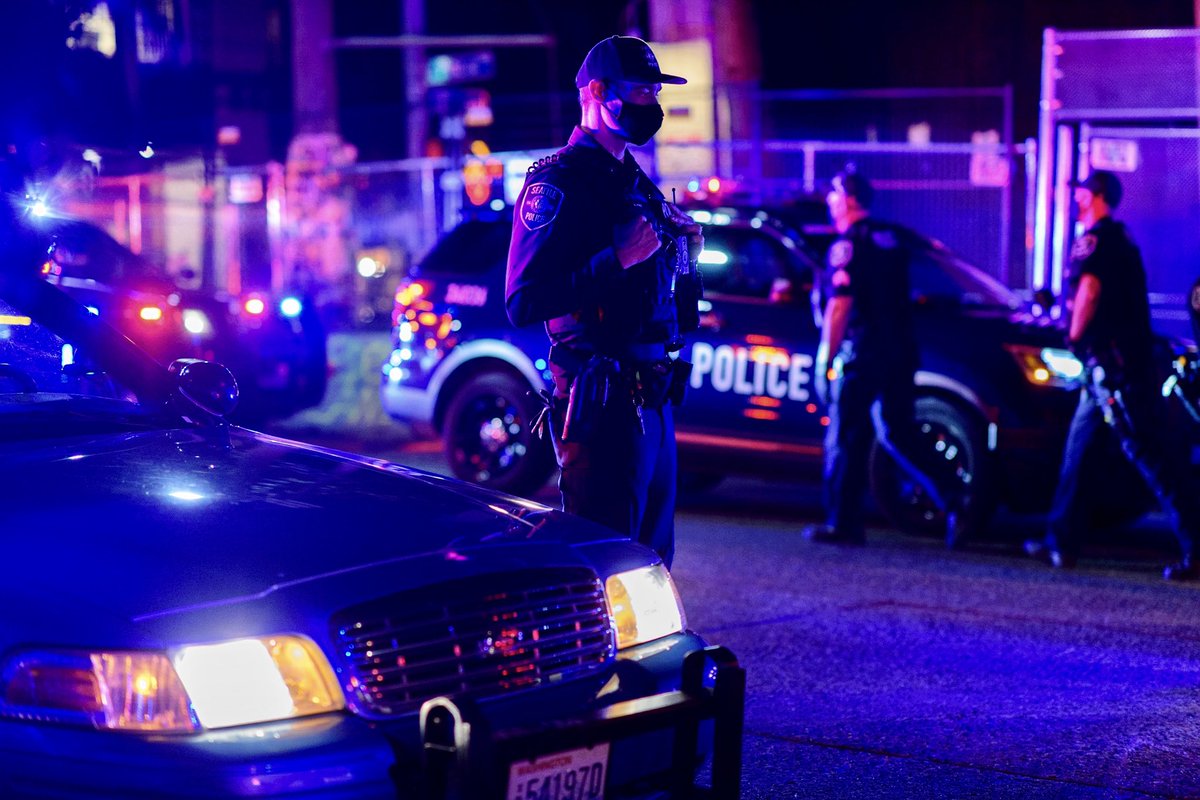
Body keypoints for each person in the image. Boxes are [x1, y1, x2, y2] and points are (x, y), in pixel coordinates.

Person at [504, 35, 703, 568]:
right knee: (607, 560)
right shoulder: (557, 182)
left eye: (653, 92)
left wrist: (688, 254)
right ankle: (597, 654)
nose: (651, 105)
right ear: (598, 92)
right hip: (601, 399)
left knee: (654, 560)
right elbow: (523, 301)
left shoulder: (634, 180)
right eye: (640, 92)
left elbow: (665, 292)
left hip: (653, 393)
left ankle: (646, 654)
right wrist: (615, 257)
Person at [1024, 170, 1197, 580]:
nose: (1076, 196)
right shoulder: (1121, 238)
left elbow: (1090, 291)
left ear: (1096, 195)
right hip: (1108, 370)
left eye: (1081, 190)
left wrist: (1073, 335)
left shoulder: (1096, 241)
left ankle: (1197, 546)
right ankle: (1060, 541)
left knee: (1151, 456)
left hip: (1114, 371)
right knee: (1078, 452)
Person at [801, 166, 964, 547]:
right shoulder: (892, 238)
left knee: (845, 436)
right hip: (901, 349)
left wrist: (826, 358)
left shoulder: (847, 245)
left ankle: (843, 523)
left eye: (835, 193)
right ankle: (954, 495)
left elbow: (841, 306)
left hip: (864, 351)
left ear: (850, 200)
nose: (829, 200)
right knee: (896, 429)